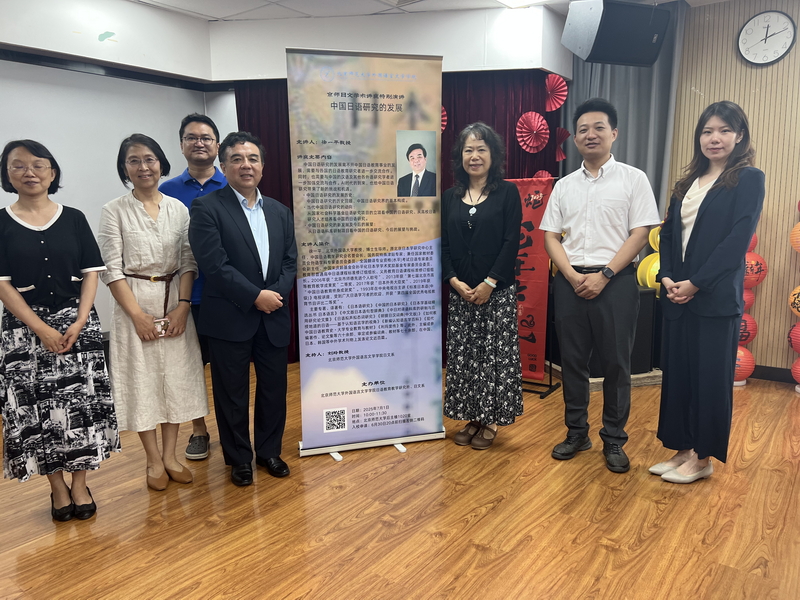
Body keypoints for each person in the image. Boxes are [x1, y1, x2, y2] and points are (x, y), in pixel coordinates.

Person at [0, 139, 119, 521]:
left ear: (52, 173)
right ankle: (56, 487)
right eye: (18, 165)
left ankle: (80, 483)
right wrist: (40, 329)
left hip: (77, 325)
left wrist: (81, 320)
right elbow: (2, 284)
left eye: (38, 165)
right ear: (7, 174)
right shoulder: (2, 222)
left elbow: (91, 273)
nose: (29, 172)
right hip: (24, 331)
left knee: (81, 407)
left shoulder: (74, 218)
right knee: (36, 410)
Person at [541, 98, 660, 473]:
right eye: (582, 129)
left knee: (616, 364)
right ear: (575, 138)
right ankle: (577, 433)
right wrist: (571, 275)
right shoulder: (564, 186)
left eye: (598, 128)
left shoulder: (633, 179)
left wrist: (605, 274)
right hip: (571, 281)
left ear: (614, 133)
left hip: (617, 282)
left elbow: (641, 233)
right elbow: (550, 236)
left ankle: (614, 439)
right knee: (573, 363)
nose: (590, 134)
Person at [650, 101, 764, 484]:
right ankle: (683, 449)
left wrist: (696, 283)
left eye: (724, 130)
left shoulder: (748, 178)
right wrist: (667, 276)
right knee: (679, 377)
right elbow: (668, 236)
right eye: (707, 131)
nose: (714, 138)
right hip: (677, 295)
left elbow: (737, 240)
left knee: (711, 381)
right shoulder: (686, 183)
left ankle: (703, 458)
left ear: (739, 135)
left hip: (714, 298)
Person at [98, 134, 208, 491]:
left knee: (176, 378)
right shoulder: (114, 210)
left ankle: (171, 456)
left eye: (149, 159)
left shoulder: (178, 209)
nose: (143, 167)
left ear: (161, 163)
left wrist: (183, 307)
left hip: (175, 297)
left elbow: (189, 261)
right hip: (133, 301)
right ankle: (152, 459)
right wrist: (137, 316)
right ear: (124, 168)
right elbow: (111, 270)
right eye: (134, 161)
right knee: (142, 380)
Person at [188, 131, 297, 486]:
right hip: (230, 316)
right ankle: (239, 459)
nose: (245, 165)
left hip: (273, 314)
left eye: (252, 159)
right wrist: (255, 296)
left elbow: (290, 262)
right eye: (236, 159)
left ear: (263, 166)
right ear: (224, 166)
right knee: (231, 394)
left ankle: (269, 452)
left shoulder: (280, 211)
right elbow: (214, 264)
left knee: (273, 390)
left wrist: (273, 295)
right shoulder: (207, 208)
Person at [441, 122, 523, 450]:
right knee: (465, 358)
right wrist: (453, 280)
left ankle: (490, 421)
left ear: (493, 155)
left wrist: (490, 282)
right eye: (468, 150)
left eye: (481, 149)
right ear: (459, 157)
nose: (474, 156)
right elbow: (444, 244)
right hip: (461, 292)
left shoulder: (507, 193)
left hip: (496, 292)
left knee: (492, 358)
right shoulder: (449, 197)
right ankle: (472, 417)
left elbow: (511, 242)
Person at [159, 113, 227, 461]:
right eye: (191, 137)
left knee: (228, 369)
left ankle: (231, 431)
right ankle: (199, 430)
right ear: (182, 145)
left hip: (227, 296)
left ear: (217, 145)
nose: (199, 143)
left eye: (206, 137)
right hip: (183, 298)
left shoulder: (233, 185)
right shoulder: (165, 191)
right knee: (187, 369)